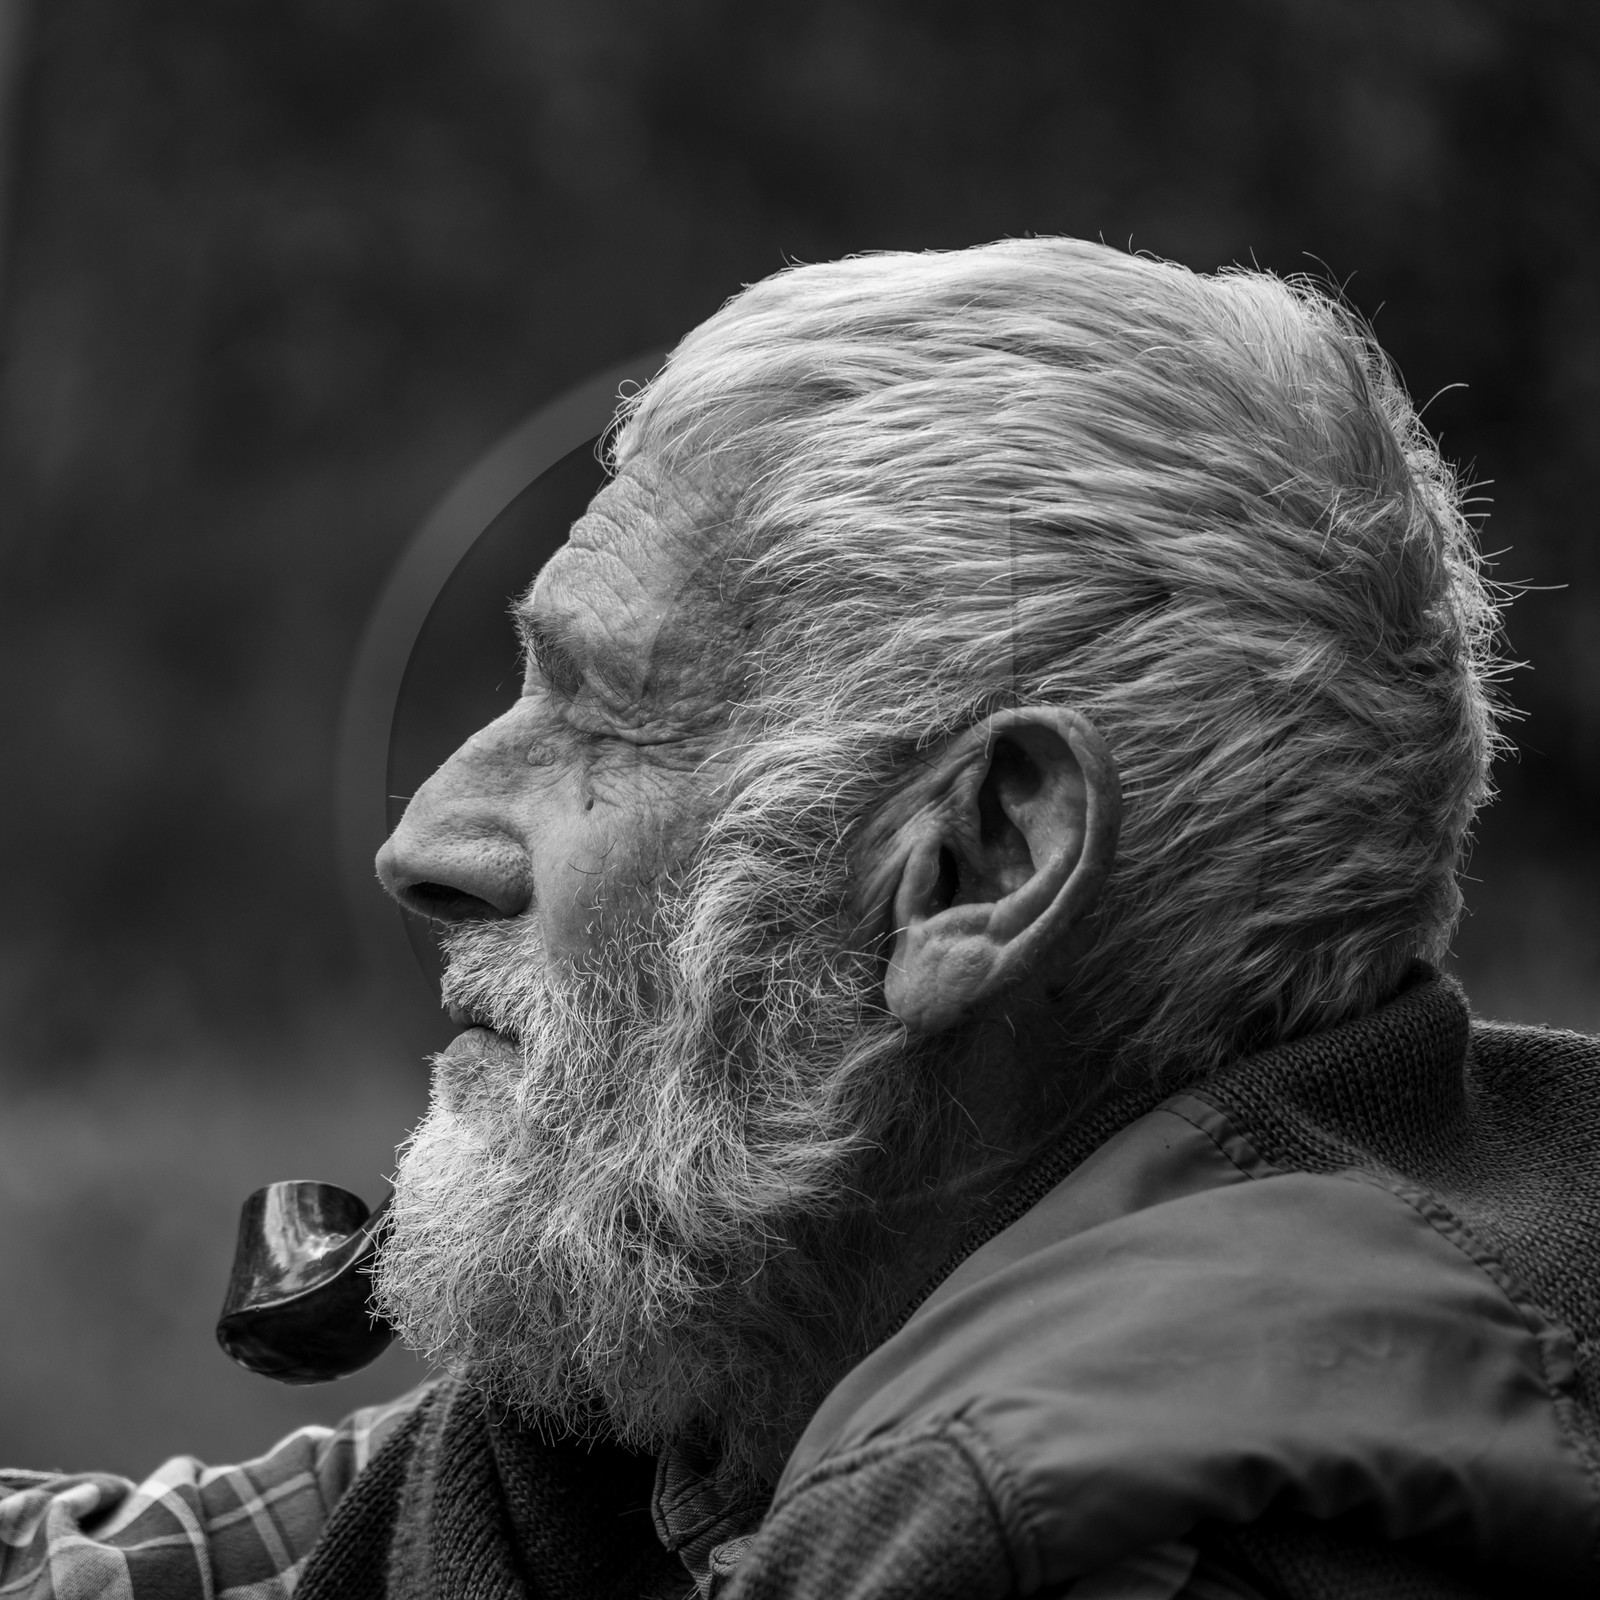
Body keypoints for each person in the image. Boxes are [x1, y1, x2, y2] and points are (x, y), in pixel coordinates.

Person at [6, 237, 1598, 1600]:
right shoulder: (733, 1383)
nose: (425, 841)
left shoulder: (1111, 1540)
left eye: (598, 713)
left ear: (981, 861)